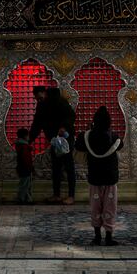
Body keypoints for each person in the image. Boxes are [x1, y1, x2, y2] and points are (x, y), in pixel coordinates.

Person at [83, 106, 123, 245]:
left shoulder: (88, 136)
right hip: (110, 177)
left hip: (95, 177)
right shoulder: (114, 136)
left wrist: (89, 129)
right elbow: (121, 145)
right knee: (110, 206)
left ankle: (97, 236)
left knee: (95, 206)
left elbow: (78, 146)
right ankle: (109, 236)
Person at [30, 86, 76, 203]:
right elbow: (37, 124)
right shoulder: (41, 106)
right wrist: (29, 139)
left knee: (69, 166)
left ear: (45, 93)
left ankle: (71, 196)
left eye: (40, 98)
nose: (39, 100)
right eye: (37, 99)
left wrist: (64, 127)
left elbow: (71, 116)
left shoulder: (60, 101)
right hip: (54, 140)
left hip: (65, 139)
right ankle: (56, 195)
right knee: (56, 167)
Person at [14, 127, 35, 204]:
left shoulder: (20, 145)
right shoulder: (24, 147)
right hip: (25, 168)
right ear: (25, 136)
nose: (29, 137)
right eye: (28, 135)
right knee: (25, 185)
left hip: (22, 168)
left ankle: (26, 199)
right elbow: (26, 159)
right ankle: (22, 199)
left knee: (24, 184)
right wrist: (31, 168)